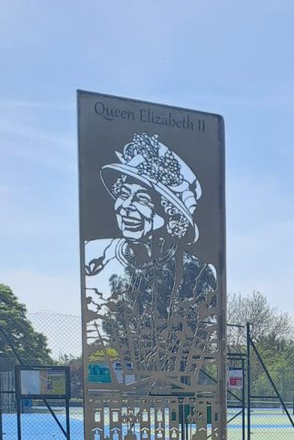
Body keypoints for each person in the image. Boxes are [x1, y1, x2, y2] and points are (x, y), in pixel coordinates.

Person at [83, 131, 217, 391]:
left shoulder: (198, 272)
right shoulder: (93, 256)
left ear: (170, 213)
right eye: (123, 193)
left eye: (142, 199)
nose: (125, 206)